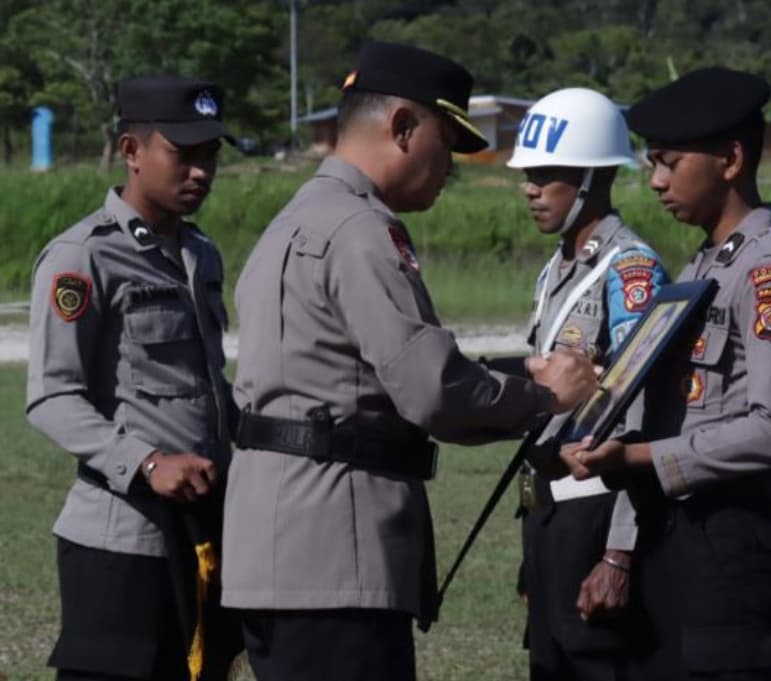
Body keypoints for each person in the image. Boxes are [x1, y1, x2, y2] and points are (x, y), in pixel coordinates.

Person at [219, 41, 597, 681]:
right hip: (337, 555)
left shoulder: (293, 221)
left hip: (274, 554)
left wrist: (511, 372)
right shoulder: (363, 230)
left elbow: (355, 373)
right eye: (446, 143)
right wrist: (547, 396)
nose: (449, 166)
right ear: (402, 127)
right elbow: (431, 390)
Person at [560, 67, 771, 681]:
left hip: (725, 541)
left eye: (669, 162)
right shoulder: (706, 263)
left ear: (730, 159)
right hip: (672, 534)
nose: (654, 181)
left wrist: (634, 459)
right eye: (651, 163)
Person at [25, 76, 239, 681]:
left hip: (201, 530)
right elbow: (51, 396)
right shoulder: (83, 257)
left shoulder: (201, 255)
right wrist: (147, 462)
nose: (200, 171)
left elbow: (208, 388)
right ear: (131, 151)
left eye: (210, 155)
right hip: (122, 539)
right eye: (183, 154)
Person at [506, 87, 671, 681]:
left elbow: (641, 412)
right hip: (549, 512)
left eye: (546, 174)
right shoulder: (558, 268)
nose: (529, 187)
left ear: (591, 177)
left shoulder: (630, 271)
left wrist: (618, 552)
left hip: (598, 515)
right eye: (528, 173)